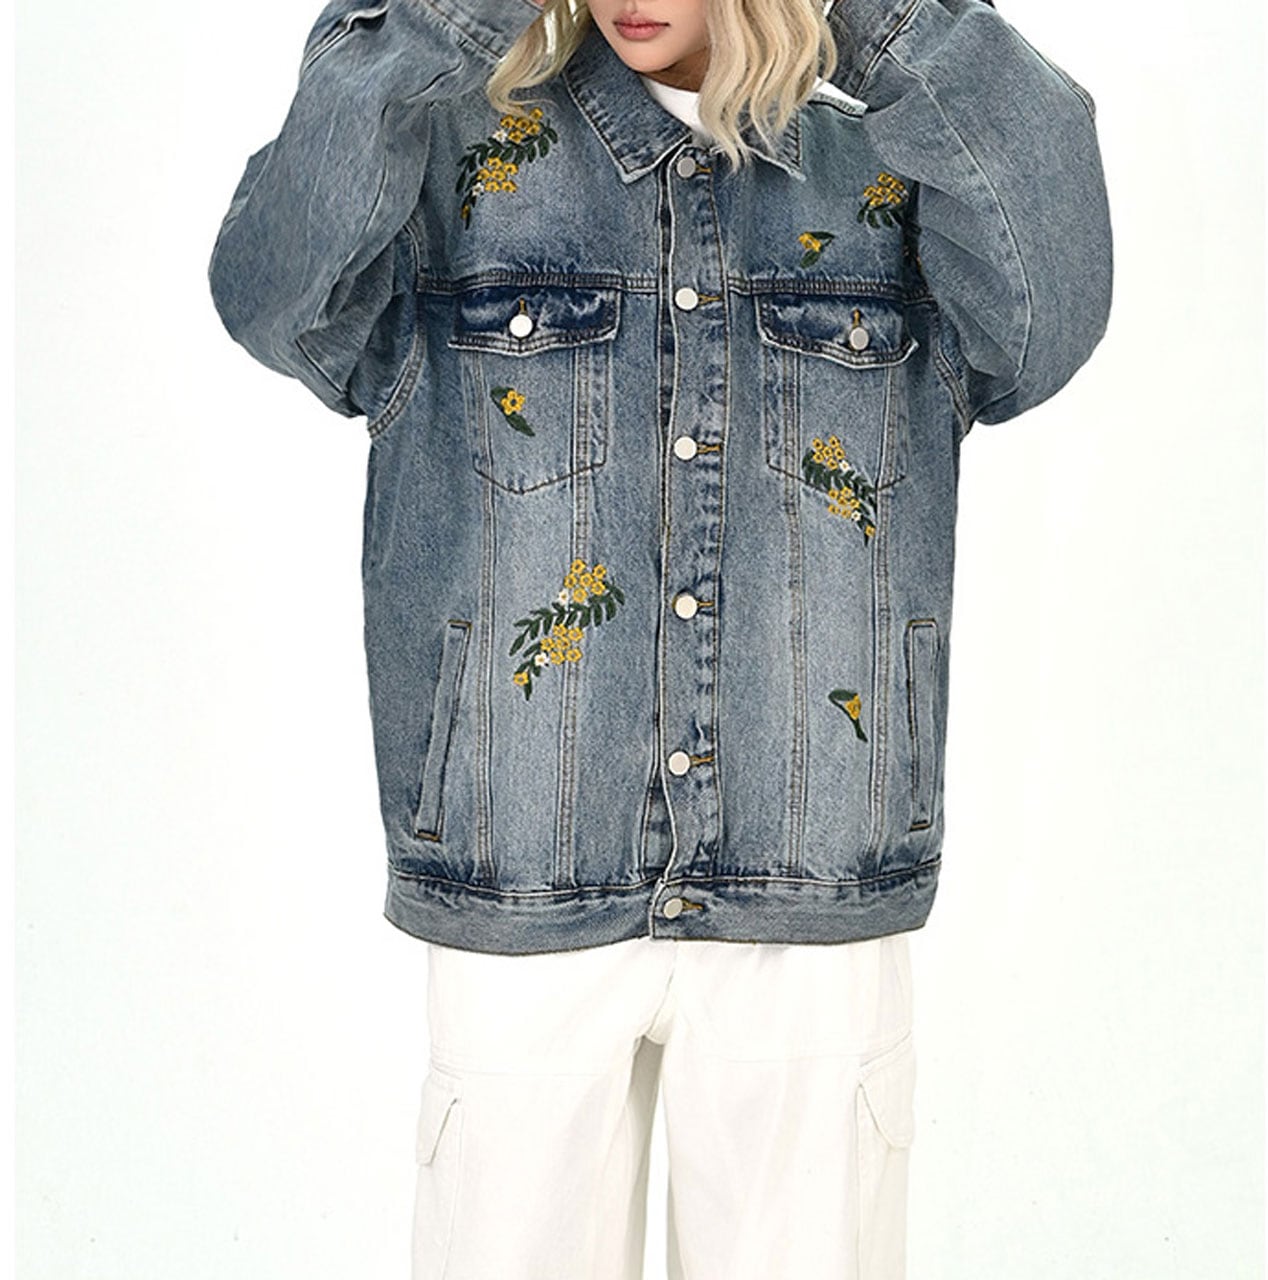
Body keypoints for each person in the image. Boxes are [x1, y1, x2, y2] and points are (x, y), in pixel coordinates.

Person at [207, 0, 1112, 1275]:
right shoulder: (459, 163)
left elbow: (1049, 301)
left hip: (809, 874)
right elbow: (270, 292)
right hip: (523, 865)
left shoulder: (884, 179)